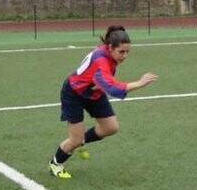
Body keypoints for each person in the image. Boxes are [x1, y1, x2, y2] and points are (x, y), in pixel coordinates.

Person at [48, 26, 158, 179]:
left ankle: (81, 140)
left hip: (94, 92)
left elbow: (104, 82)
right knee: (75, 140)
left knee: (111, 127)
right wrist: (140, 83)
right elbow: (112, 88)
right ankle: (55, 163)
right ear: (110, 47)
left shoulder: (108, 52)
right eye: (121, 52)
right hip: (74, 94)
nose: (124, 56)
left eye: (127, 52)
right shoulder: (101, 60)